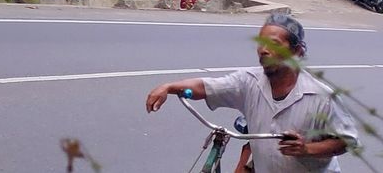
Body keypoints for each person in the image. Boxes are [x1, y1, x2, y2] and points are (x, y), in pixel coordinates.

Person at [146, 14, 358, 173]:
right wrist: (170, 87)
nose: (264, 50)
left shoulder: (322, 97)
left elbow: (347, 141)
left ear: (298, 52)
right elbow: (207, 86)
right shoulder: (248, 81)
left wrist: (307, 149)